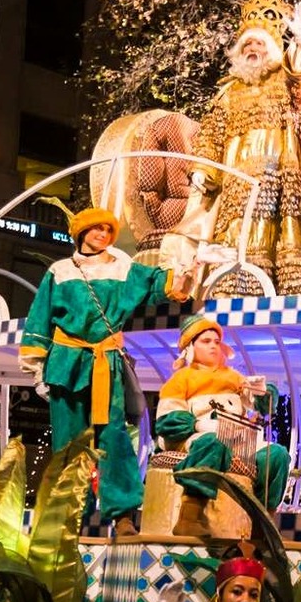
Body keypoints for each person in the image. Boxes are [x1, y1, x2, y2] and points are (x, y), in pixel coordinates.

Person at [18, 207, 193, 537]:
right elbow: (40, 318)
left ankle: (123, 514)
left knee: (113, 437)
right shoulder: (59, 271)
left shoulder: (122, 266)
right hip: (66, 363)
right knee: (68, 442)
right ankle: (67, 515)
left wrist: (183, 270)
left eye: (107, 230)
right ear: (81, 233)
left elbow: (159, 284)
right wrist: (36, 369)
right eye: (95, 229)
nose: (102, 234)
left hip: (105, 364)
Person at [190, 0, 301, 296]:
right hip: (234, 184)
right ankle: (229, 295)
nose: (253, 48)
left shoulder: (284, 80)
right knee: (232, 238)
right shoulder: (228, 92)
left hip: (276, 179)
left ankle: (270, 297)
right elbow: (210, 134)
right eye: (247, 44)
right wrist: (201, 170)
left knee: (273, 238)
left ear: (273, 48)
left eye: (259, 43)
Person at [156, 315, 290, 537]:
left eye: (216, 342)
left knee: (276, 454)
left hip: (237, 438)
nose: (213, 346)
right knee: (213, 443)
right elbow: (166, 421)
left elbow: (263, 406)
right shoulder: (181, 380)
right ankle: (190, 514)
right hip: (199, 438)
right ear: (190, 346)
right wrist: (199, 425)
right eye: (206, 341)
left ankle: (263, 522)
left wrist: (262, 392)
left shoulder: (234, 377)